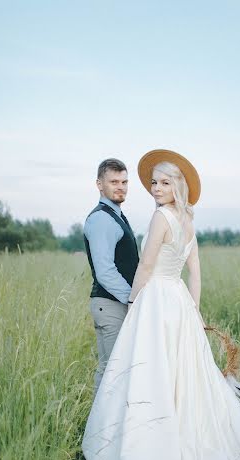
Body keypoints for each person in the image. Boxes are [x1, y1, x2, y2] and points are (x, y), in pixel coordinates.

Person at [82, 149, 240, 460]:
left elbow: (146, 266)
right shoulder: (189, 222)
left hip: (156, 300)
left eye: (164, 182)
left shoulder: (162, 216)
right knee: (184, 373)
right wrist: (192, 310)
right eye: (153, 183)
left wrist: (135, 303)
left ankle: (151, 455)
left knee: (148, 372)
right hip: (177, 301)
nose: (156, 189)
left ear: (177, 186)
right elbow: (194, 274)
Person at [84, 158, 139, 397]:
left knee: (117, 370)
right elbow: (105, 271)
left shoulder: (115, 215)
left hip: (116, 304)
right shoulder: (101, 219)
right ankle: (101, 431)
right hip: (110, 304)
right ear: (99, 184)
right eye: (114, 181)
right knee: (112, 371)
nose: (121, 187)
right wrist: (133, 299)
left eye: (125, 181)